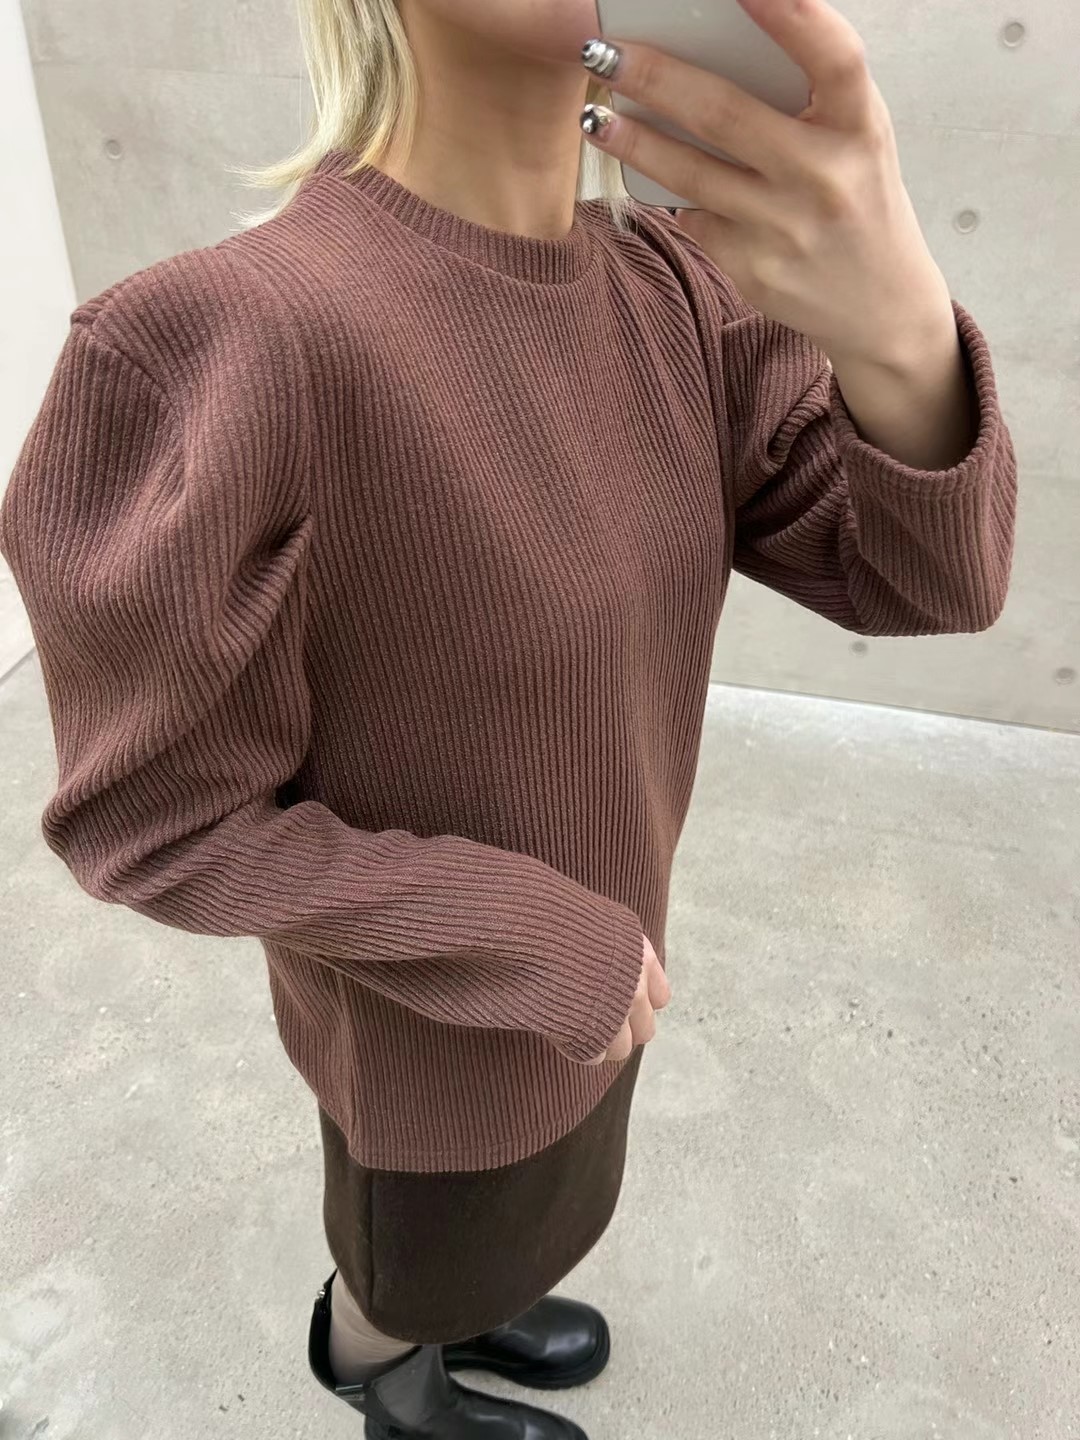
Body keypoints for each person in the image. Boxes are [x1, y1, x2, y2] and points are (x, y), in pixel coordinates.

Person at [0, 0, 1017, 1435]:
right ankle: (379, 1366)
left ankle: (466, 1305)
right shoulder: (218, 345)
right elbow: (150, 823)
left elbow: (926, 580)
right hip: (430, 1032)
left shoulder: (676, 290)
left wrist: (898, 323)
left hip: (612, 968)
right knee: (419, 1253)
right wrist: (533, 939)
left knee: (529, 1213)